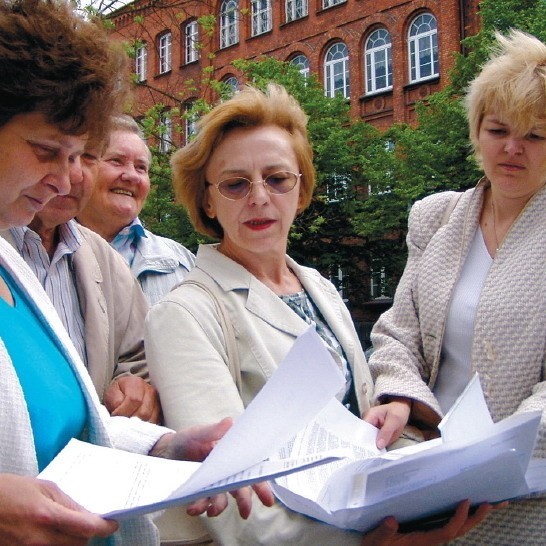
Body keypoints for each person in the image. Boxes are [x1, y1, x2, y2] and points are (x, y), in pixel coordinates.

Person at [144, 83, 493, 546]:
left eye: (277, 178)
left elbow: (359, 420)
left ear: (301, 188)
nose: (259, 197)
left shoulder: (319, 287)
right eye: (235, 184)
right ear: (207, 200)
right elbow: (232, 498)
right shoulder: (184, 312)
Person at [0, 1, 272, 544]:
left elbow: (66, 432)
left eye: (77, 155)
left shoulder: (11, 267)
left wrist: (166, 447)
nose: (64, 180)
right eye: (47, 150)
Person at [366, 29, 546, 544]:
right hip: (424, 479)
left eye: (536, 136)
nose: (512, 148)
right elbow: (398, 331)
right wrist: (399, 398)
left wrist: (491, 451)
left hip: (523, 499)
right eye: (498, 129)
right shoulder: (437, 216)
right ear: (476, 131)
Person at [1, 139, 161, 422]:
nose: (71, 176)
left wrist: (134, 389)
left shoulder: (106, 260)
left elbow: (139, 358)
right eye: (49, 151)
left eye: (86, 157)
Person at [77, 116, 195, 305]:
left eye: (141, 167)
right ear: (83, 167)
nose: (132, 175)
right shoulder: (44, 253)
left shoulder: (182, 264)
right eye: (116, 161)